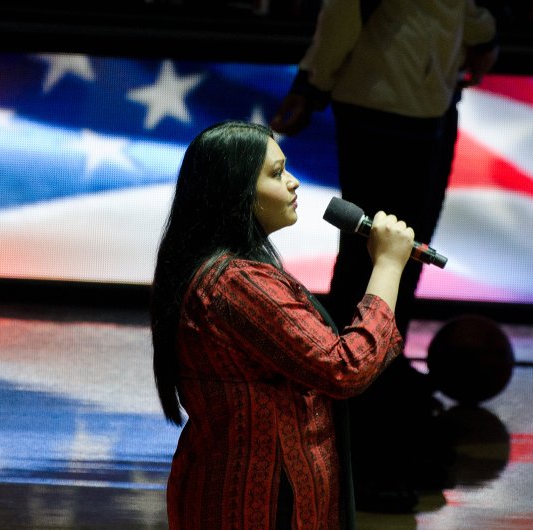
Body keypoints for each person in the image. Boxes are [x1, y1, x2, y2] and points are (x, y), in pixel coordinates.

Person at [270, 0, 499, 509]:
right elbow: (345, 9)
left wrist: (483, 36)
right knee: (369, 267)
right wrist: (312, 83)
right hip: (382, 103)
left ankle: (377, 405)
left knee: (399, 263)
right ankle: (356, 449)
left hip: (432, 99)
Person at [150, 120, 416, 529]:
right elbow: (345, 368)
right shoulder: (236, 284)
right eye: (276, 174)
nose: (293, 183)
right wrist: (388, 265)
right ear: (236, 192)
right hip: (256, 506)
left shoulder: (237, 273)